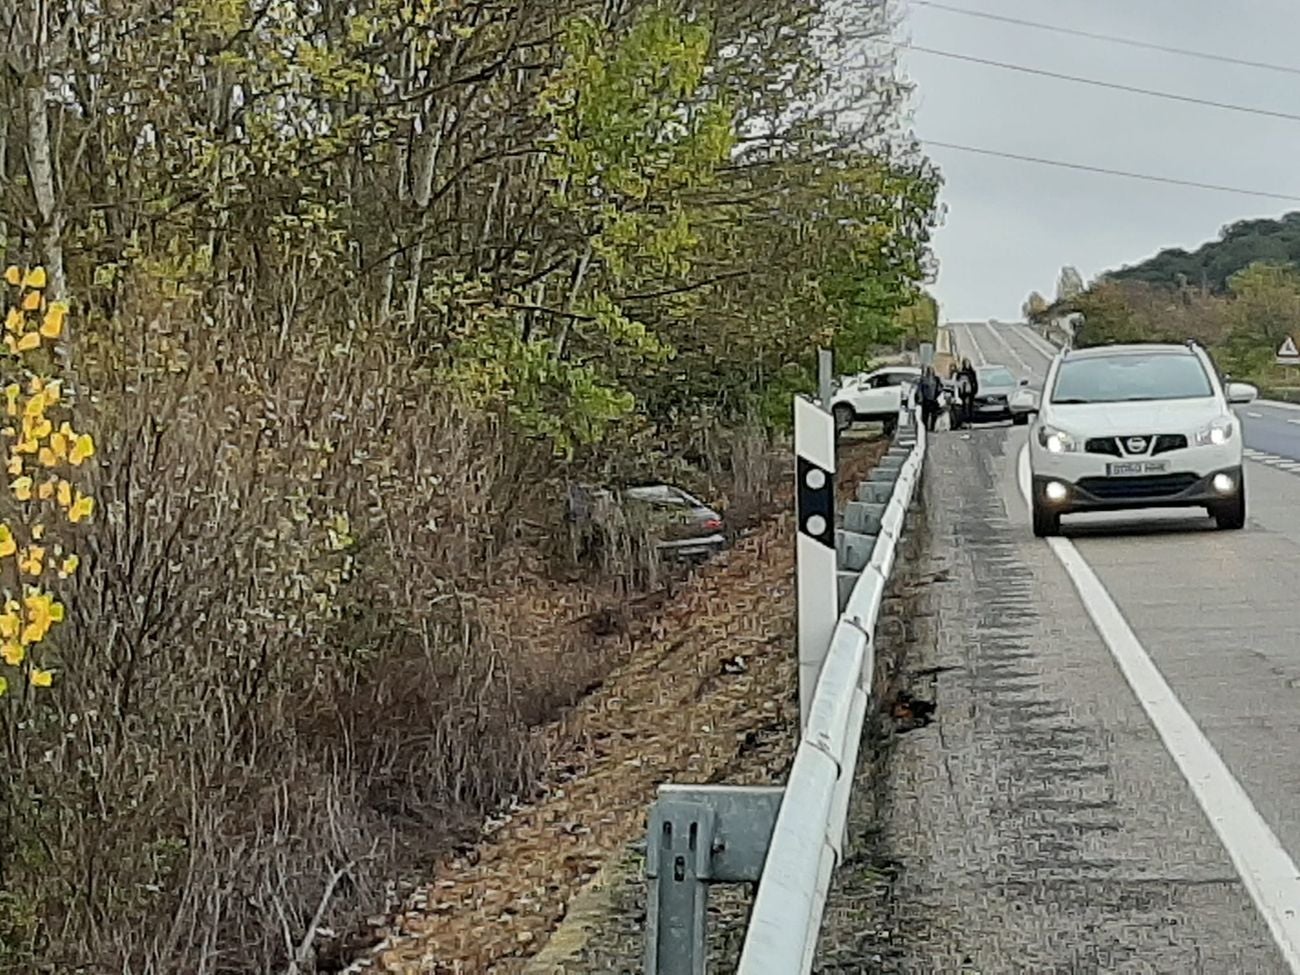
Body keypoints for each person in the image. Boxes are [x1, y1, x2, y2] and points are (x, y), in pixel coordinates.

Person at [916, 366, 942, 432]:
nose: (930, 372)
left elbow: (940, 388)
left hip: (933, 399)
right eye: (929, 370)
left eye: (931, 370)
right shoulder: (923, 379)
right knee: (925, 415)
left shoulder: (936, 379)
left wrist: (938, 395)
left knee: (934, 414)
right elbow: (920, 389)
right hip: (926, 399)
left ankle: (932, 427)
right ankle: (925, 428)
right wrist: (920, 398)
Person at [957, 358, 979, 428]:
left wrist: (975, 390)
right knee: (964, 407)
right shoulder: (961, 373)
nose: (967, 365)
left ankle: (970, 421)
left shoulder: (972, 372)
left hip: (971, 392)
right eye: (966, 363)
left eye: (968, 363)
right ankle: (965, 421)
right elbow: (958, 382)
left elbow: (975, 382)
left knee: (970, 407)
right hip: (963, 392)